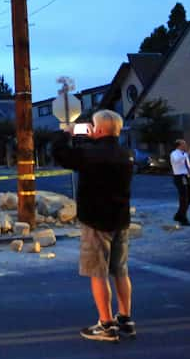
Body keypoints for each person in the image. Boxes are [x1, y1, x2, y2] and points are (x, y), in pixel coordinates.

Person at [53, 110, 135, 343]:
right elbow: (96, 153)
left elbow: (62, 155)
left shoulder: (90, 154)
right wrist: (89, 140)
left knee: (98, 273)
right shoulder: (125, 153)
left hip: (96, 220)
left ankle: (106, 324)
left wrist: (65, 134)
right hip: (121, 218)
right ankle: (125, 318)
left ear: (97, 129)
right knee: (120, 270)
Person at [170, 139, 190, 226]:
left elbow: (187, 164)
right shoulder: (174, 153)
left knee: (189, 196)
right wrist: (187, 154)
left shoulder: (184, 154)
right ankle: (183, 218)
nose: (186, 146)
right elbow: (176, 160)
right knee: (184, 198)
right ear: (179, 145)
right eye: (184, 144)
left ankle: (179, 215)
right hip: (179, 176)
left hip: (186, 175)